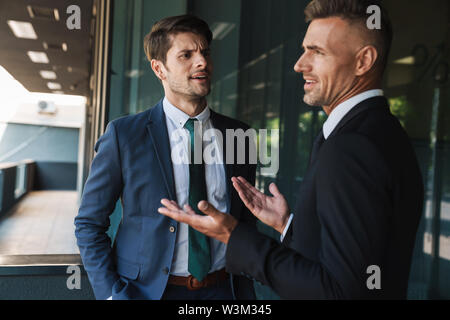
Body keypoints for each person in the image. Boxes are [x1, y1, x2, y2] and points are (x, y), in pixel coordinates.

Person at [158, 0, 424, 299]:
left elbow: (339, 291)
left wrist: (233, 236)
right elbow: (357, 258)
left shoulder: (352, 145)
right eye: (304, 49)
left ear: (363, 61)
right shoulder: (381, 130)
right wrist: (287, 225)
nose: (300, 64)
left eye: (317, 52)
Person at [74, 14, 256, 300]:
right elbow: (89, 224)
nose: (202, 62)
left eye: (205, 53)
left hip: (225, 290)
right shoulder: (125, 135)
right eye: (187, 55)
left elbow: (245, 222)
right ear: (159, 69)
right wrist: (111, 295)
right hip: (148, 293)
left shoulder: (240, 135)